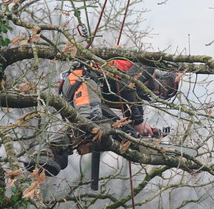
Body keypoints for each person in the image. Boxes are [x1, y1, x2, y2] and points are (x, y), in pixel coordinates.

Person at [25, 60, 181, 176]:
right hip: (84, 79)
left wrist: (140, 131)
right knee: (90, 121)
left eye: (163, 94)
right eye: (163, 88)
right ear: (160, 76)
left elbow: (129, 118)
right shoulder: (146, 65)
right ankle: (47, 151)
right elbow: (126, 87)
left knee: (114, 132)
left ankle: (56, 154)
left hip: (88, 92)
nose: (159, 92)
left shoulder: (134, 97)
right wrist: (139, 122)